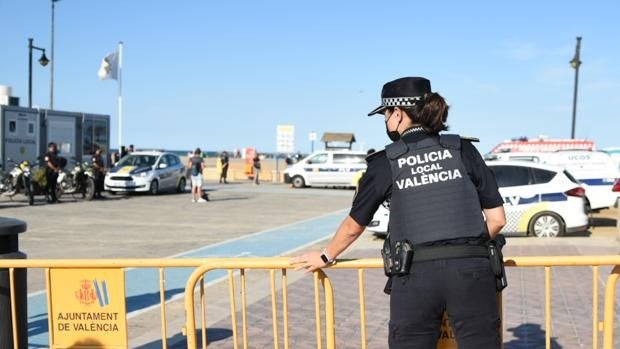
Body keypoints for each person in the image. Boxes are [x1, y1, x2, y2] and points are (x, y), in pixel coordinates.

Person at [291, 77, 507, 348]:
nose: (384, 121)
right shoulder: (463, 150)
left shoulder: (385, 163)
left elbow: (354, 226)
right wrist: (464, 243)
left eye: (384, 114)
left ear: (398, 113)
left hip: (415, 275)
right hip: (472, 272)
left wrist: (325, 255)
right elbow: (497, 219)